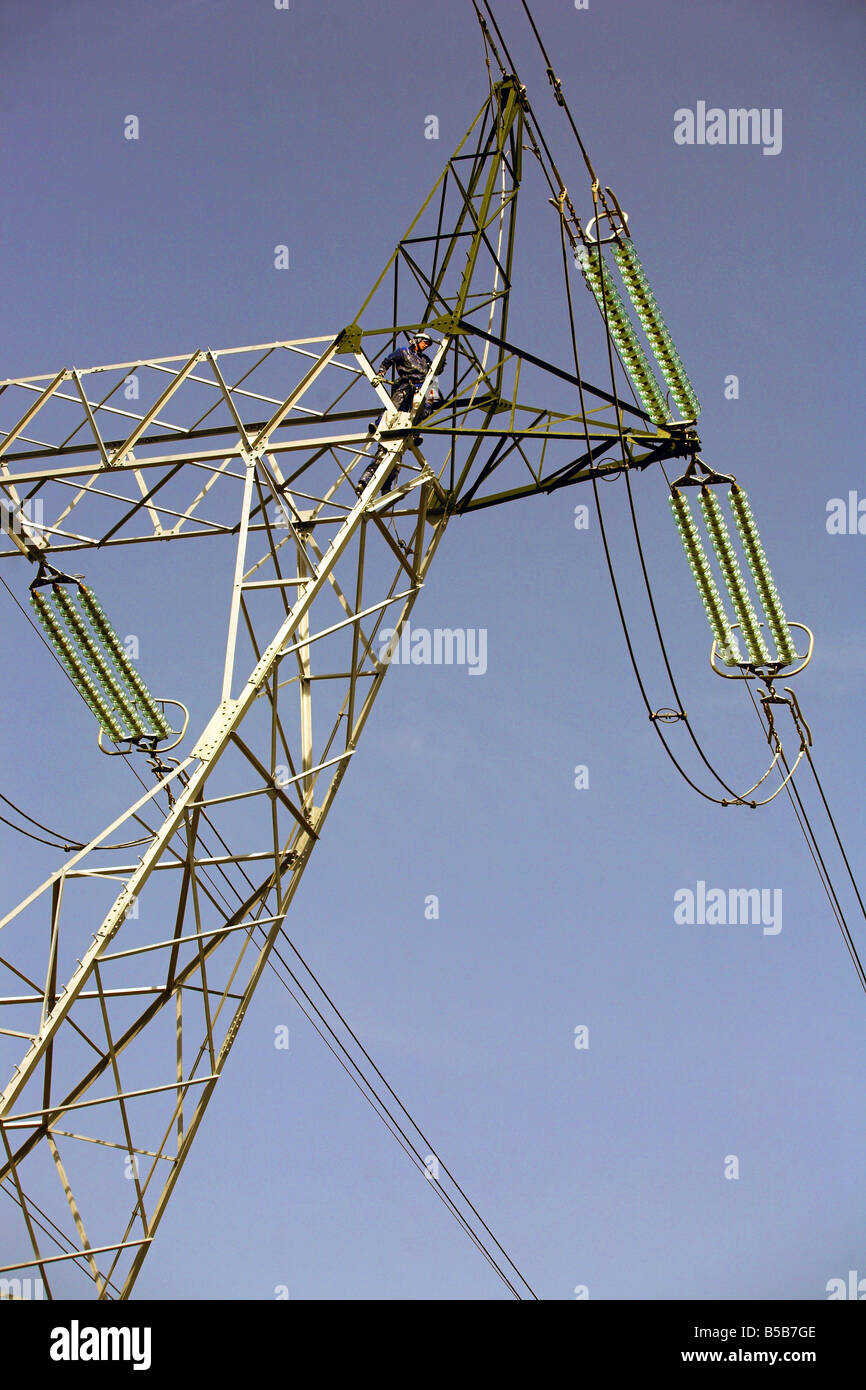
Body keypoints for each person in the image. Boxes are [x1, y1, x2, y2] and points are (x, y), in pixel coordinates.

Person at [358, 331, 443, 493]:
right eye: (424, 342)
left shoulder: (425, 361)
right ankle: (378, 426)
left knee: (423, 410)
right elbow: (388, 360)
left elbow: (436, 372)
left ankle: (415, 431)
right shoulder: (404, 351)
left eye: (428, 343)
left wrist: (442, 357)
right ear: (417, 340)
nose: (426, 345)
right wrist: (380, 373)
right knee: (393, 409)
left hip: (420, 387)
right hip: (405, 384)